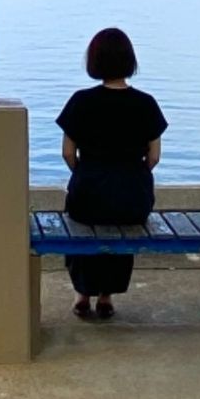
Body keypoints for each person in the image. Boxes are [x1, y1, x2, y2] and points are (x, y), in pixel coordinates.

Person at [56, 27, 168, 320]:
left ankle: (82, 293)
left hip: (89, 193)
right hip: (132, 199)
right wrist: (132, 175)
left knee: (81, 225)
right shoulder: (146, 103)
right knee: (122, 227)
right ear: (130, 61)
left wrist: (85, 173)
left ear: (94, 61)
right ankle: (106, 297)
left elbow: (68, 152)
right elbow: (154, 156)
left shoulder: (81, 101)